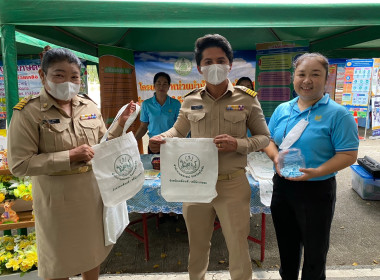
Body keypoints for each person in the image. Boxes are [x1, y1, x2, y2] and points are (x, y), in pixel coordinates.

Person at [7, 48, 137, 280]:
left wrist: (121, 124)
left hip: (92, 197)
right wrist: (69, 156)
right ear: (42, 75)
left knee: (92, 254)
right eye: (59, 75)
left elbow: (102, 145)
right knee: (60, 262)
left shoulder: (88, 105)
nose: (68, 81)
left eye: (74, 76)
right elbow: (20, 165)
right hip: (57, 203)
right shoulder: (29, 112)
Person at [149, 34, 270, 280]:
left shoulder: (246, 99)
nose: (214, 66)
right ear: (199, 67)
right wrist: (163, 138)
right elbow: (178, 131)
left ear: (230, 64)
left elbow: (264, 138)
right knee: (197, 245)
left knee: (237, 245)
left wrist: (237, 143)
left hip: (233, 183)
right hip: (195, 184)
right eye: (208, 61)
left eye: (220, 60)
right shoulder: (190, 100)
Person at [263, 53, 359, 280]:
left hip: (317, 189)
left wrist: (317, 172)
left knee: (315, 250)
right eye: (301, 74)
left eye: (315, 74)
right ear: (293, 78)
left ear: (326, 79)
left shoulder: (338, 114)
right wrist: (275, 157)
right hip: (283, 186)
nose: (307, 80)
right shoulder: (282, 109)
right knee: (286, 246)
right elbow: (268, 139)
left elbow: (348, 154)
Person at [134, 72, 181, 153]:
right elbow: (143, 127)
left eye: (165, 84)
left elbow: (179, 127)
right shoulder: (146, 104)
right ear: (154, 86)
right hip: (154, 145)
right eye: (158, 83)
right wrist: (134, 140)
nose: (161, 86)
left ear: (169, 86)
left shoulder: (176, 104)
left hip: (171, 144)